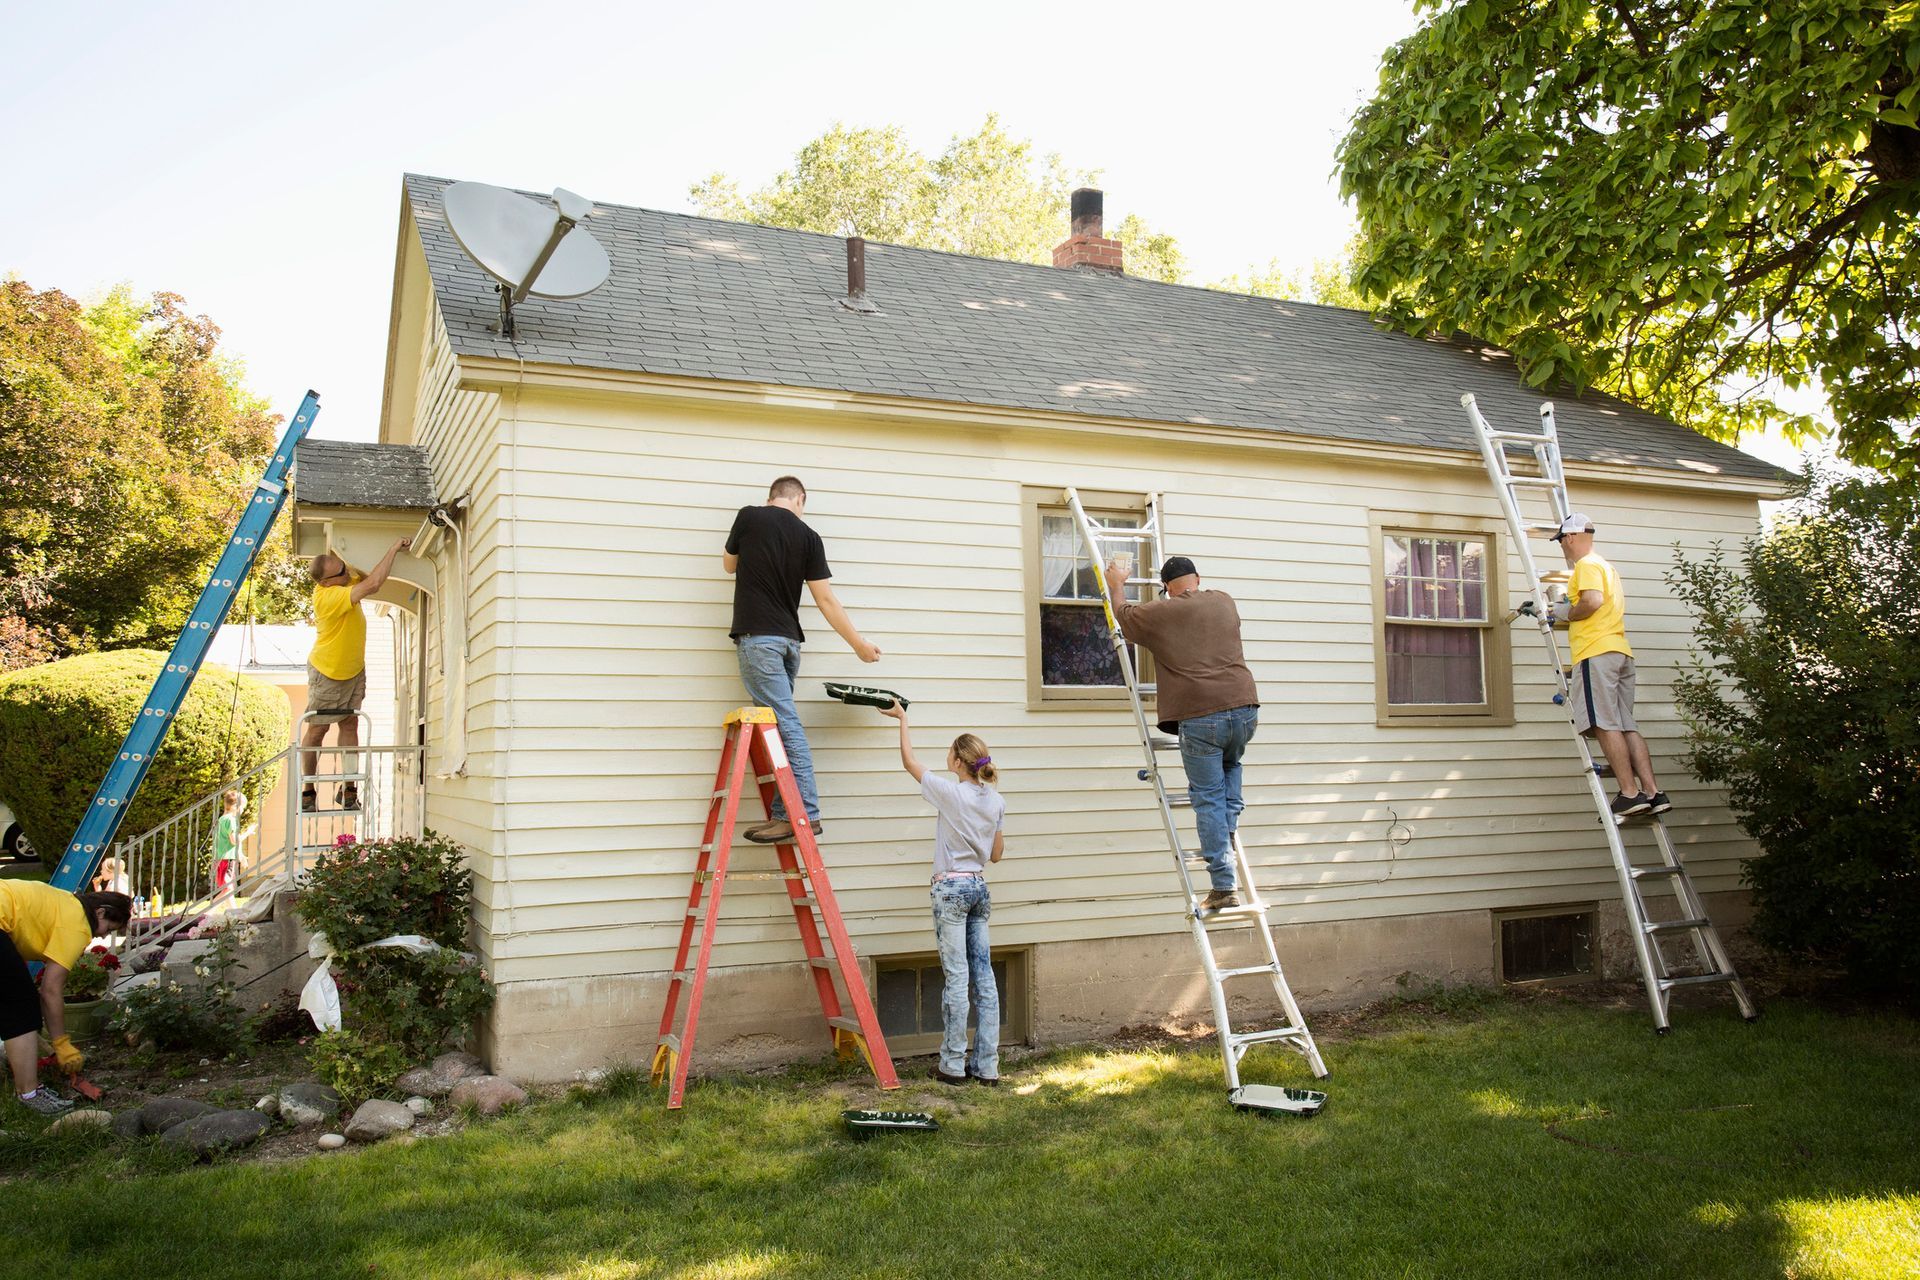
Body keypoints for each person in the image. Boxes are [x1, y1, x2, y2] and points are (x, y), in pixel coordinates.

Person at [723, 476, 881, 844]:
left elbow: (729, 566)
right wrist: (858, 644)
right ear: (800, 500)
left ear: (771, 497)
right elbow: (826, 600)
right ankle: (784, 813)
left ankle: (804, 813)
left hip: (759, 641)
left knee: (786, 727)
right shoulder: (810, 536)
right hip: (790, 643)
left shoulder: (749, 516)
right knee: (780, 726)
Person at [1104, 554, 1260, 913]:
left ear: (1167, 589)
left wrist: (1117, 584)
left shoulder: (1162, 611)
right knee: (1231, 772)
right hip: (1245, 708)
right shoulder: (1224, 600)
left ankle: (1223, 886)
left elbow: (1124, 617)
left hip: (1201, 715)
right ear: (1197, 578)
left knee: (1207, 799)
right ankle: (1226, 834)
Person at [878, 700, 1005, 1086]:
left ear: (957, 762)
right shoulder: (995, 800)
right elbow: (997, 855)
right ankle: (987, 1067)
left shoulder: (951, 793)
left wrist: (903, 719)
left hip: (950, 888)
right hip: (979, 888)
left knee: (956, 977)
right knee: (984, 979)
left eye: (950, 754)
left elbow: (909, 762)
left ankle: (952, 1065)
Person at [1551, 513, 1671, 823]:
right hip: (1619, 651)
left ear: (1572, 537)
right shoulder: (1607, 566)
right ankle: (1652, 792)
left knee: (1604, 723)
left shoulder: (1587, 566)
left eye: (1562, 539)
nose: (1562, 546)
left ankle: (1630, 794)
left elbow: (1591, 601)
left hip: (1596, 652)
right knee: (1625, 724)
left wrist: (1567, 613)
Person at [0, 880, 132, 1116]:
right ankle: (30, 1095)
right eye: (109, 928)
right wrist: (61, 1043)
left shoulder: (65, 902)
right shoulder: (78, 924)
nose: (102, 937)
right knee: (21, 1007)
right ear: (99, 912)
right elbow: (50, 990)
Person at [303, 538, 411, 812]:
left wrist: (348, 563)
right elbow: (373, 584)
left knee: (350, 725)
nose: (347, 573)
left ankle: (349, 788)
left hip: (352, 670)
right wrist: (392, 548)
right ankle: (308, 791)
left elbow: (365, 575)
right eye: (341, 572)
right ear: (326, 581)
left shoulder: (342, 581)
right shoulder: (328, 596)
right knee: (318, 730)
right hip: (328, 671)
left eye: (343, 568)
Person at [213, 790, 253, 891]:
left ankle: (232, 908)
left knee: (227, 890)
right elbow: (234, 841)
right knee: (228, 888)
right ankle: (216, 907)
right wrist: (248, 832)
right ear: (235, 806)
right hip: (227, 859)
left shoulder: (222, 819)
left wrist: (241, 855)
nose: (243, 810)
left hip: (221, 857)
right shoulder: (230, 820)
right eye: (242, 807)